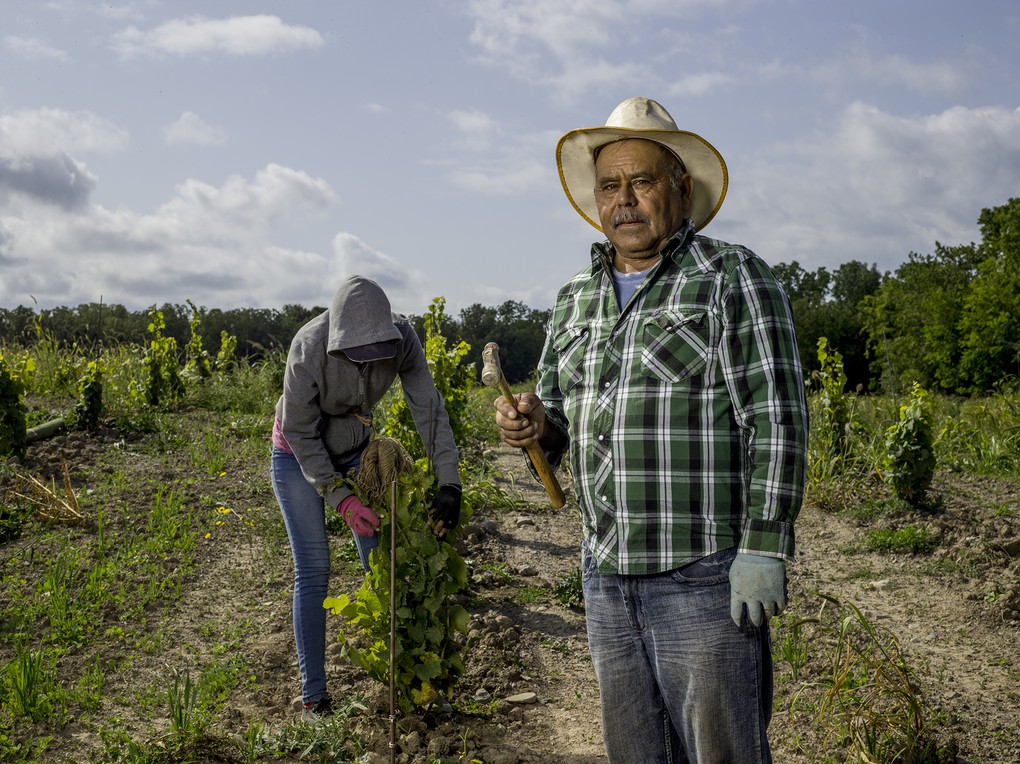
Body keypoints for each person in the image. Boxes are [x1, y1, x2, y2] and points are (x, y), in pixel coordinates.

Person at [493, 97, 808, 763]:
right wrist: (533, 426)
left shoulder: (730, 277)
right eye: (610, 184)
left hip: (704, 576)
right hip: (606, 576)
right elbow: (557, 424)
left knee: (722, 753)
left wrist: (764, 546)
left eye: (643, 181)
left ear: (682, 190)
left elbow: (776, 418)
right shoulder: (576, 297)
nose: (625, 200)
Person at [271, 275, 462, 722]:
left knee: (382, 559)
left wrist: (449, 482)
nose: (368, 362)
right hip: (296, 455)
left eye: (375, 354)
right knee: (314, 568)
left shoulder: (404, 339)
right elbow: (299, 431)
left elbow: (427, 408)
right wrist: (340, 497)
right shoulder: (308, 347)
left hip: (357, 452)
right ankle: (314, 697)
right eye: (357, 355)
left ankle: (411, 683)